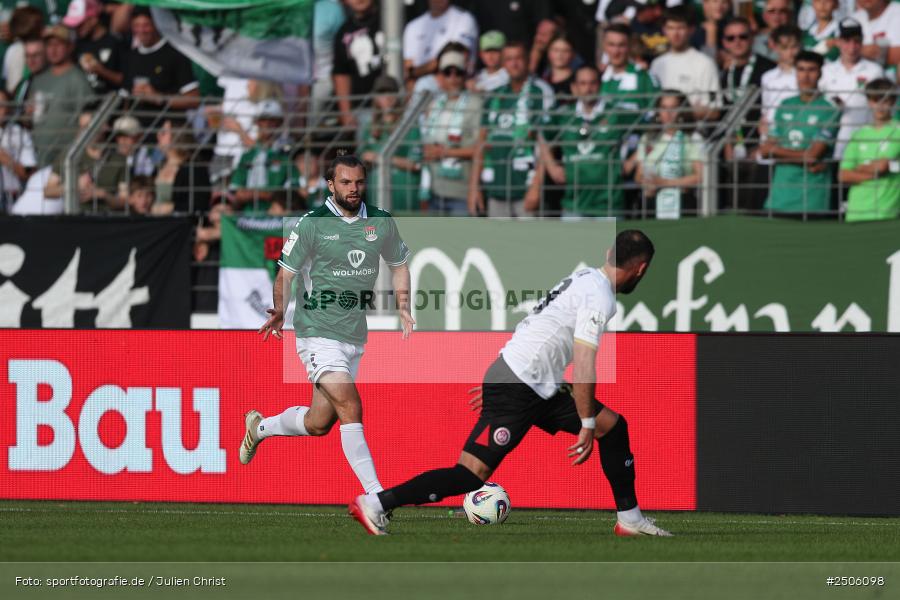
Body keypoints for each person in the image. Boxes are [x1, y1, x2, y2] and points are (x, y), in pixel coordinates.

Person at [349, 230, 672, 538]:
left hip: (534, 382)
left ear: (608, 253)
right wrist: (584, 420)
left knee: (613, 428)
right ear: (641, 269)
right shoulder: (600, 296)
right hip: (520, 385)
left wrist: (502, 377)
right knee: (470, 474)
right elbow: (584, 363)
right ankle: (376, 503)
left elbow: (539, 325)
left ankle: (630, 519)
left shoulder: (586, 277)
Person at [243, 153, 414, 501]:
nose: (354, 189)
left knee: (319, 424)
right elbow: (286, 273)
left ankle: (260, 428)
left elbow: (399, 264)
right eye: (346, 182)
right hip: (316, 332)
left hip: (353, 335)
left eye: (359, 182)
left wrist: (403, 305)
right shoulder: (312, 223)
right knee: (351, 405)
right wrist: (279, 308)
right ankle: (377, 497)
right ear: (331, 184)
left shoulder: (380, 222)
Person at [474, 41, 553, 218]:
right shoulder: (494, 95)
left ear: (527, 60)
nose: (514, 63)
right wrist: (474, 188)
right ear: (503, 63)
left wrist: (536, 187)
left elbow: (547, 144)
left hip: (526, 188)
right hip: (496, 187)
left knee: (529, 244)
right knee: (497, 244)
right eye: (509, 59)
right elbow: (482, 142)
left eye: (519, 58)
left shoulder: (540, 92)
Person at [760, 51, 841, 215]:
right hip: (779, 196)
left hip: (811, 198)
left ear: (820, 73)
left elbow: (813, 155)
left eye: (811, 70)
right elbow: (765, 150)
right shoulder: (784, 105)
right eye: (801, 69)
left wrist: (777, 152)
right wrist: (804, 157)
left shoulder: (829, 109)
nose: (805, 76)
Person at [540, 65, 625, 218]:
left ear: (599, 86)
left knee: (611, 243)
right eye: (583, 83)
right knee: (573, 243)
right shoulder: (564, 115)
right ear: (574, 87)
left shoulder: (616, 114)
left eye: (592, 83)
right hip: (574, 203)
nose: (588, 88)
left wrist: (630, 162)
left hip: (608, 204)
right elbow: (542, 134)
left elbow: (646, 129)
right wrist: (552, 167)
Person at [420, 45, 483, 216]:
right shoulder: (434, 105)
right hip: (434, 190)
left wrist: (445, 152)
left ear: (465, 76)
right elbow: (426, 144)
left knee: (460, 242)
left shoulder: (475, 104)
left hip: (461, 191)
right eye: (448, 72)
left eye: (458, 73)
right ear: (441, 76)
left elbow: (480, 148)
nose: (453, 78)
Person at [819, 18, 884, 159]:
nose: (852, 47)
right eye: (846, 41)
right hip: (831, 142)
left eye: (857, 41)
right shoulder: (826, 70)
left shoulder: (874, 70)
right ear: (838, 42)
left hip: (864, 140)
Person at [359, 75, 425, 212]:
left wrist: (379, 158)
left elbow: (416, 164)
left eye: (391, 92)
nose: (387, 98)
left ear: (398, 96)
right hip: (377, 200)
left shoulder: (410, 126)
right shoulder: (370, 128)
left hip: (405, 200)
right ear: (376, 98)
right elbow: (363, 161)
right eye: (382, 94)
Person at [634, 90, 704, 219]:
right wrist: (647, 182)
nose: (668, 113)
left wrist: (665, 182)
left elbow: (701, 176)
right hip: (651, 203)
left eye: (673, 108)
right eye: (664, 108)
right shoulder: (648, 138)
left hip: (682, 203)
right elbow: (638, 175)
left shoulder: (692, 138)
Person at [29, 25, 92, 166]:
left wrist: (73, 153)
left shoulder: (77, 79)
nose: (53, 49)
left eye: (58, 44)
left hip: (63, 159)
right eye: (49, 45)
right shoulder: (39, 78)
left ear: (70, 47)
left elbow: (87, 119)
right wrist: (29, 112)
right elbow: (30, 117)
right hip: (38, 155)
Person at [838, 78, 900, 222]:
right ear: (869, 102)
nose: (880, 106)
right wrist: (876, 171)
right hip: (855, 214)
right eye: (875, 100)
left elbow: (884, 166)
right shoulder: (859, 134)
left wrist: (889, 166)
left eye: (885, 101)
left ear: (893, 102)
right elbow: (843, 175)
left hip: (887, 213)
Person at [123, 7, 199, 122]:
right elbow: (125, 99)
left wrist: (159, 98)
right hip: (137, 132)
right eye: (136, 25)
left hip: (168, 130)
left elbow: (194, 99)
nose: (141, 30)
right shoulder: (130, 57)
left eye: (146, 25)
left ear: (156, 24)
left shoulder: (176, 53)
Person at [649, 7, 722, 122]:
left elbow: (714, 111)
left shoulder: (705, 63)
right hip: (660, 136)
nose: (676, 34)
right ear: (664, 30)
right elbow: (651, 107)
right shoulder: (657, 64)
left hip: (694, 136)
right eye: (671, 28)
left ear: (691, 30)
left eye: (681, 28)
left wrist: (680, 113)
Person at [228, 100, 294, 215]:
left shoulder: (287, 154)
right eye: (263, 119)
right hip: (248, 217)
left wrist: (256, 194)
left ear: (279, 123)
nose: (267, 124)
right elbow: (237, 192)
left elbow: (294, 194)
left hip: (276, 217)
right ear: (257, 122)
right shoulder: (247, 156)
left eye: (272, 120)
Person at [333, 0, 383, 129]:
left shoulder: (390, 20)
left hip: (395, 105)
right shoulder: (342, 33)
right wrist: (346, 112)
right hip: (363, 109)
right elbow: (341, 74)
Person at [402, 0, 477, 86]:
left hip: (452, 83)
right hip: (419, 87)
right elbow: (407, 66)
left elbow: (455, 56)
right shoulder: (413, 26)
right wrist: (414, 74)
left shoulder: (464, 19)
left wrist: (415, 72)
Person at [600, 23, 659, 121]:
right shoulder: (599, 77)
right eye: (611, 45)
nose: (616, 51)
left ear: (630, 46)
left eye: (621, 45)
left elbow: (656, 114)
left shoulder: (644, 77)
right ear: (604, 46)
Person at [65, 0, 124, 94]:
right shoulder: (77, 45)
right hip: (83, 103)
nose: (76, 29)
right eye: (73, 26)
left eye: (80, 24)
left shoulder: (115, 43)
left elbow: (126, 80)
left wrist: (101, 71)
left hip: (110, 104)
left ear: (93, 19)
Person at [0, 88, 36, 211]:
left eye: (1, 106)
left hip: (11, 197)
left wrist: (6, 159)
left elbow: (29, 173)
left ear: (9, 108)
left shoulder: (20, 133)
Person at [760, 25, 802, 128]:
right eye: (785, 48)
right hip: (772, 132)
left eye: (794, 47)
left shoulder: (809, 75)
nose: (790, 52)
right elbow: (766, 109)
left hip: (799, 131)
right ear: (775, 47)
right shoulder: (767, 77)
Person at [851, 0, 900, 67]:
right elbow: (835, 45)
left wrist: (854, 51)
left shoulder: (897, 11)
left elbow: (897, 55)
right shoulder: (853, 18)